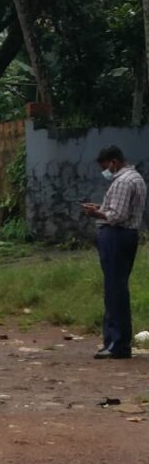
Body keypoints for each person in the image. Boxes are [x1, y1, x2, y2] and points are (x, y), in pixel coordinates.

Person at [82, 145, 147, 359]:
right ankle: (115, 341)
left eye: (105, 167)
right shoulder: (135, 178)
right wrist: (102, 207)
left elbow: (116, 216)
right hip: (127, 236)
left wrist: (96, 213)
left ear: (113, 162)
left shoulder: (122, 181)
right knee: (117, 287)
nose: (105, 171)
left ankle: (117, 343)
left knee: (114, 290)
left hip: (116, 235)